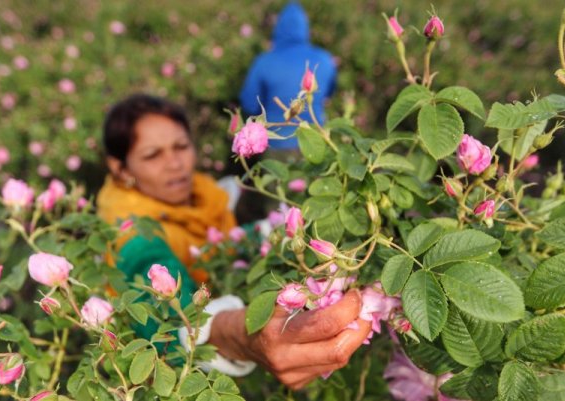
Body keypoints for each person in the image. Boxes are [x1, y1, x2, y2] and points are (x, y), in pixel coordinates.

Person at [96, 94, 370, 389]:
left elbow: (220, 247)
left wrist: (288, 226)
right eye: (152, 155)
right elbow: (159, 303)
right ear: (120, 168)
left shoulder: (207, 197)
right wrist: (234, 333)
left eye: (181, 146)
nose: (174, 163)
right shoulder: (126, 231)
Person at [240, 2, 336, 151]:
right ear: (305, 27)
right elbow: (329, 93)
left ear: (278, 27)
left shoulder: (264, 61)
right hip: (316, 142)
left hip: (276, 144)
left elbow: (249, 103)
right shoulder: (324, 59)